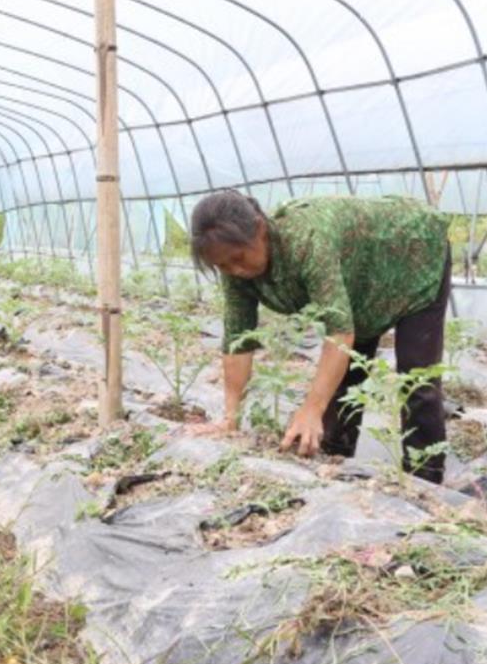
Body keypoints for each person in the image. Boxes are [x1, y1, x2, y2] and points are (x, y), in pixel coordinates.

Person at [190, 191, 452, 483]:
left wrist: (312, 408)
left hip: (412, 253)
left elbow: (339, 333)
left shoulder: (307, 241)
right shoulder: (235, 270)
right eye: (222, 266)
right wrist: (230, 417)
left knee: (417, 377)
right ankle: (334, 463)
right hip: (360, 280)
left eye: (238, 258)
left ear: (260, 228)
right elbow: (238, 338)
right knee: (343, 378)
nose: (234, 269)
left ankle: (427, 482)